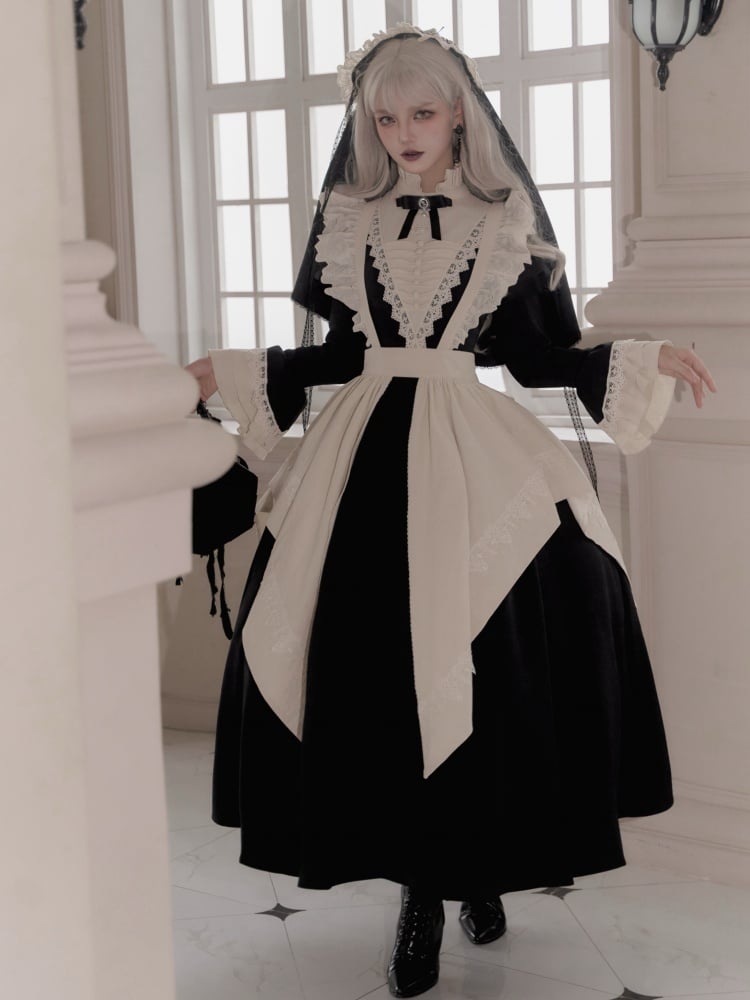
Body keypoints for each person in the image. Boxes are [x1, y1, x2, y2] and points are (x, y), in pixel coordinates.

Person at [186, 24, 716, 999]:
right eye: (385, 117)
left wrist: (644, 357)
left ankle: (478, 866)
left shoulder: (505, 221)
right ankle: (421, 894)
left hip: (473, 451)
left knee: (493, 667)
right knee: (373, 673)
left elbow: (539, 359)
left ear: (460, 113)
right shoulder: (349, 218)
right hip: (362, 456)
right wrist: (227, 371)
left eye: (421, 113)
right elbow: (340, 355)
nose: (402, 133)